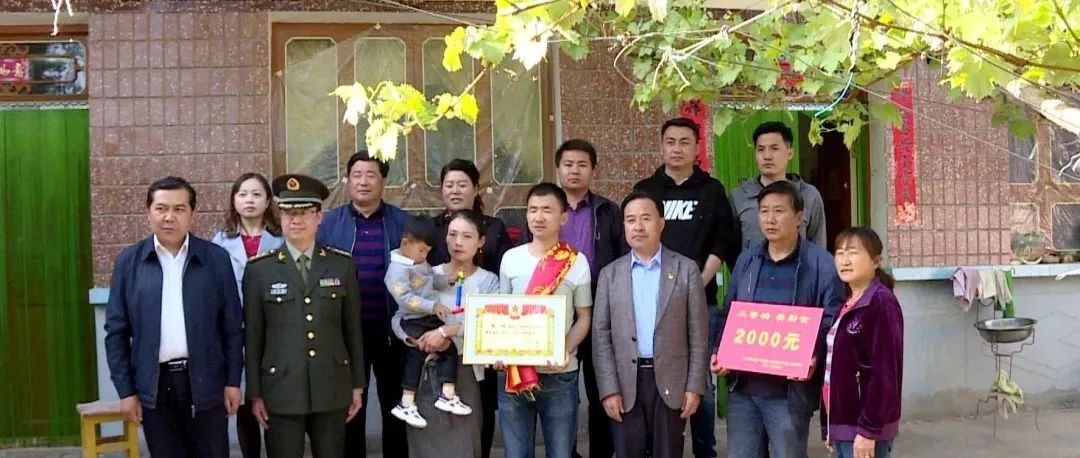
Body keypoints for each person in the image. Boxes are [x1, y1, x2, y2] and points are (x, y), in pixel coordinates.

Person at [105, 176, 243, 458]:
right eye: (161, 208)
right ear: (148, 212)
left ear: (192, 213)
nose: (169, 217)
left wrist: (232, 382)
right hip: (155, 387)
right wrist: (126, 392)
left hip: (206, 384)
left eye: (179, 209)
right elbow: (116, 333)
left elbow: (231, 327)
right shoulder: (129, 262)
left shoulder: (215, 259)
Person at [711, 181, 845, 458]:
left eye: (779, 211)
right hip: (744, 389)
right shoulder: (747, 260)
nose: (770, 219)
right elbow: (730, 310)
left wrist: (815, 355)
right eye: (764, 211)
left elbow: (831, 319)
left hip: (788, 393)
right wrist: (719, 350)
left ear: (799, 217)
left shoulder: (821, 264)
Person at [634, 117, 741, 458]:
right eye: (670, 141)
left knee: (701, 382)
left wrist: (694, 285)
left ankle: (705, 449)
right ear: (661, 146)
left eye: (684, 142)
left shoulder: (712, 190)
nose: (676, 148)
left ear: (697, 148)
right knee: (657, 379)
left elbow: (722, 244)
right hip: (652, 305)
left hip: (700, 302)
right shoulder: (646, 190)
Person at [244, 174, 366, 458]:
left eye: (303, 212)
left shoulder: (341, 265)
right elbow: (253, 335)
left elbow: (352, 330)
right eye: (288, 213)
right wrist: (255, 393)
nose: (295, 220)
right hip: (281, 389)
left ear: (319, 217)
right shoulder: (260, 270)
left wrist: (357, 385)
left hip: (331, 385)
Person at [592, 191, 709, 458]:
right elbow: (601, 338)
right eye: (630, 219)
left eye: (646, 218)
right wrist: (608, 390)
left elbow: (699, 335)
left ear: (661, 223)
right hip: (625, 382)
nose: (638, 226)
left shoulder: (686, 269)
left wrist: (694, 386)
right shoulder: (610, 274)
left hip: (671, 381)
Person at [317, 151, 411, 456]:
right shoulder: (330, 224)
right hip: (344, 333)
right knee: (349, 410)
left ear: (383, 181)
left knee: (396, 408)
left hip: (392, 331)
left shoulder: (402, 223)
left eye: (371, 175)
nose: (363, 181)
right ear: (347, 180)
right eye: (356, 175)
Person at [392, 209, 499, 457]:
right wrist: (413, 339)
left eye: (467, 236)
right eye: (452, 234)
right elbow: (399, 317)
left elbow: (490, 324)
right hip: (423, 372)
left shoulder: (488, 281)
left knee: (464, 444)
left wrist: (446, 331)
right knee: (425, 445)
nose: (458, 242)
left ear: (481, 241)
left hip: (465, 371)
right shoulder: (426, 273)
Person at [497, 183, 592, 458]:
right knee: (516, 453)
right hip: (515, 372)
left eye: (547, 210)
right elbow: (501, 313)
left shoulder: (577, 262)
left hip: (559, 374)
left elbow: (584, 317)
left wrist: (565, 349)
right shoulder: (510, 259)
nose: (538, 217)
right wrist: (498, 350)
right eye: (533, 210)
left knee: (561, 452)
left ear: (563, 217)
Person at [428, 158, 513, 458]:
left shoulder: (494, 232)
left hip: (479, 349)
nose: (458, 242)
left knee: (479, 421)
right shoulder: (431, 230)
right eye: (449, 184)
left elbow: (497, 300)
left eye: (462, 184)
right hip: (437, 352)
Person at [554, 139, 628, 458]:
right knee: (561, 390)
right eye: (568, 164)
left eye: (582, 164)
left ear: (593, 170)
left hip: (599, 311)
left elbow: (623, 259)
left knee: (602, 387)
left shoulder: (608, 211)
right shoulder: (547, 209)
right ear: (558, 169)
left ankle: (602, 453)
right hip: (557, 313)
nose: (574, 170)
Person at [210, 172, 284, 458]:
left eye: (256, 194)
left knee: (274, 400)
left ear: (267, 201)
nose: (249, 200)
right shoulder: (219, 241)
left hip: (274, 329)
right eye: (242, 194)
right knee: (243, 400)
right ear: (234, 201)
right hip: (234, 329)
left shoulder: (281, 239)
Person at [823, 227, 903, 458]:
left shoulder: (881, 303)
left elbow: (885, 373)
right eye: (840, 253)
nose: (844, 260)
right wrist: (830, 426)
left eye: (853, 252)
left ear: (876, 261)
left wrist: (868, 431)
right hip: (845, 425)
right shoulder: (848, 303)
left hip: (864, 428)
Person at [386, 215, 473, 428]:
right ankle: (406, 402)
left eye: (428, 251)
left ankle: (447, 393)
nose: (425, 256)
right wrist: (432, 306)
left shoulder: (419, 262)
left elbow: (430, 280)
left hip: (427, 319)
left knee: (448, 348)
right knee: (416, 356)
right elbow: (404, 298)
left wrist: (447, 280)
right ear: (405, 244)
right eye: (422, 250)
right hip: (411, 320)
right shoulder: (397, 270)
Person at [729, 121, 828, 250]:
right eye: (761, 149)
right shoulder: (739, 196)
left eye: (774, 149)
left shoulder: (809, 195)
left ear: (790, 153)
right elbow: (732, 250)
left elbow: (818, 246)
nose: (767, 156)